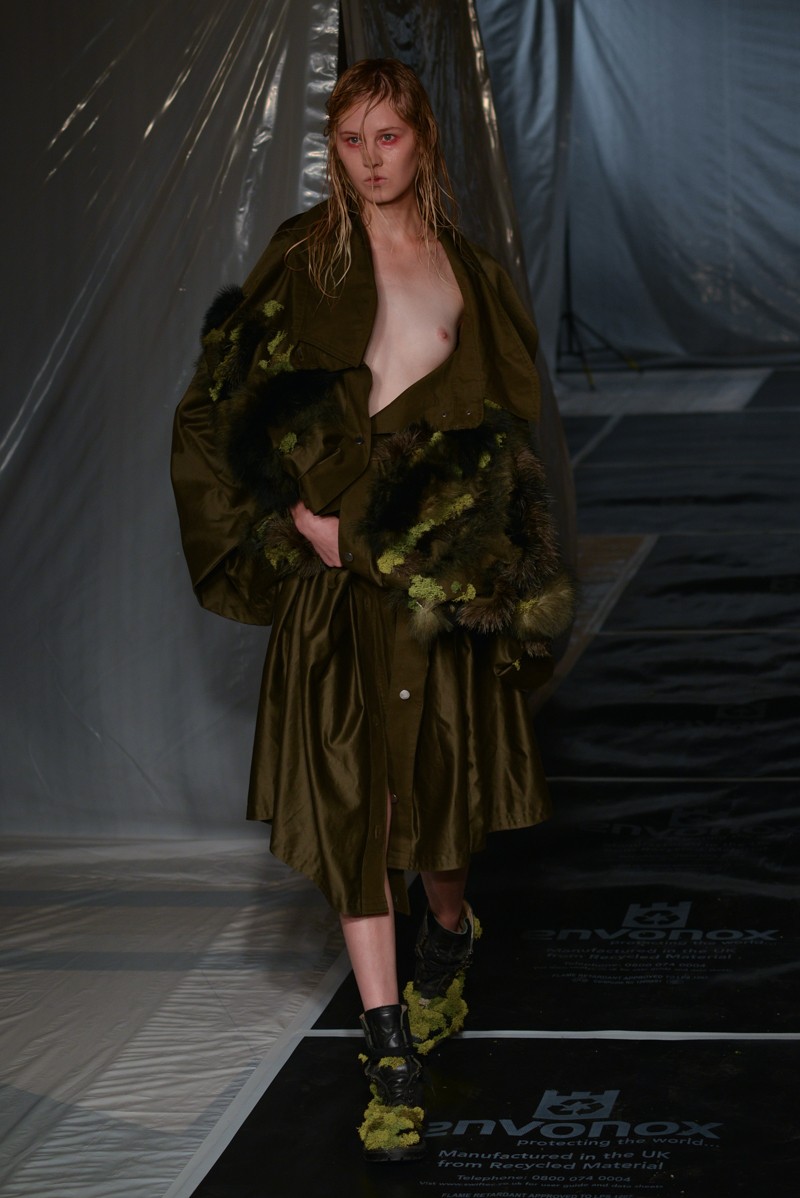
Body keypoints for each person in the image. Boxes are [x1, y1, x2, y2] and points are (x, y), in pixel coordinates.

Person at [172, 57, 574, 1162]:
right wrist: (293, 521)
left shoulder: (468, 272)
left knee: (435, 814)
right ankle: (388, 1048)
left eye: (386, 136)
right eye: (348, 140)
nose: (367, 159)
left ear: (422, 140)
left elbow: (503, 442)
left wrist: (482, 567)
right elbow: (220, 402)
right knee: (359, 810)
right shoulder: (306, 257)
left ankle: (448, 933)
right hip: (333, 587)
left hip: (428, 588)